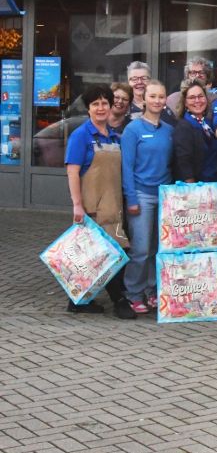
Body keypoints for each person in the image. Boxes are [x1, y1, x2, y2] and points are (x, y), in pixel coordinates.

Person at [64, 84, 135, 318]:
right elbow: (73, 172)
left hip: (114, 206)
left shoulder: (115, 137)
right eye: (96, 104)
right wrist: (77, 205)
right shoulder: (81, 136)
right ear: (89, 109)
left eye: (105, 103)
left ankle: (77, 301)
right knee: (110, 253)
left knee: (97, 254)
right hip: (91, 207)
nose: (101, 108)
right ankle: (120, 300)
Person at [121, 81, 174, 316]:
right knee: (140, 249)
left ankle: (153, 291)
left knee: (157, 248)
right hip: (141, 196)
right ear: (144, 100)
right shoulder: (132, 130)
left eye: (161, 97)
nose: (157, 101)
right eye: (153, 96)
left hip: (164, 195)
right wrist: (131, 198)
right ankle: (133, 293)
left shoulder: (169, 130)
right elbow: (126, 167)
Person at [172, 79, 217, 183]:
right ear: (185, 102)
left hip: (213, 184)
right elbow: (184, 163)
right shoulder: (184, 127)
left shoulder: (207, 123)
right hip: (197, 188)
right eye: (192, 98)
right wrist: (192, 189)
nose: (197, 100)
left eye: (200, 96)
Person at [127, 61, 177, 125]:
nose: (139, 82)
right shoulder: (123, 107)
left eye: (144, 78)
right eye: (134, 79)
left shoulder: (160, 106)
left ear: (150, 80)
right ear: (128, 81)